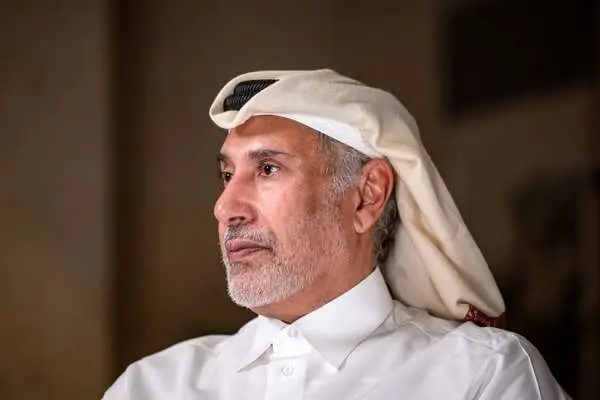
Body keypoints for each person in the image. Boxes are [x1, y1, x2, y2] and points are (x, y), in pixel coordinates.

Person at [103, 69, 571, 399]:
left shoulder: (483, 376)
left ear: (367, 196)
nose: (225, 208)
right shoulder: (152, 387)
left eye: (268, 169)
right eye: (227, 175)